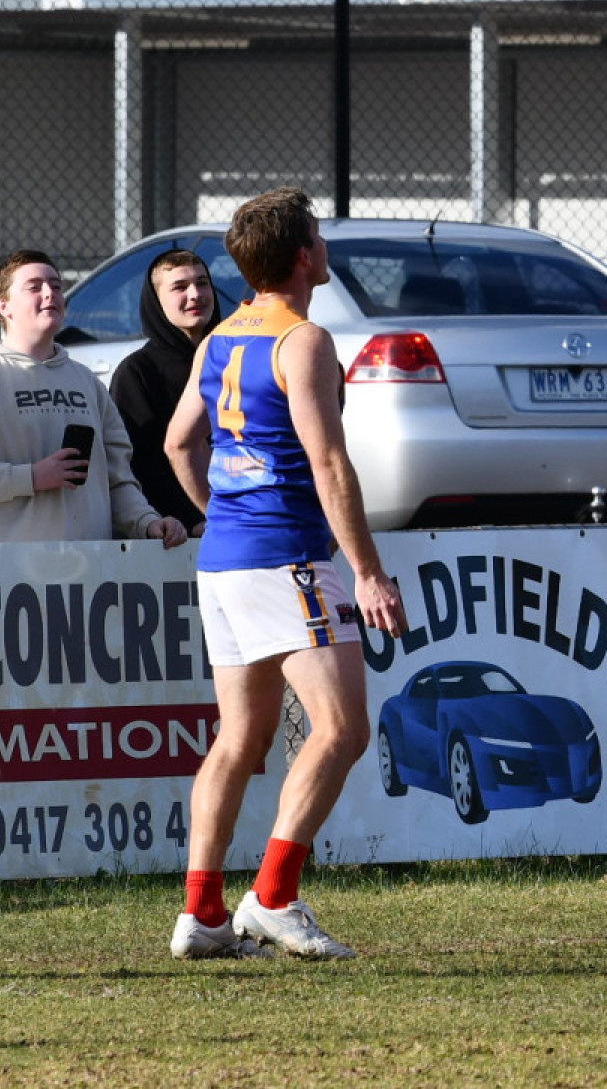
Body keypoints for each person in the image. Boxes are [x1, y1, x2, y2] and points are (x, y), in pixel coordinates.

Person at [163, 188, 407, 961]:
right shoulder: (302, 340)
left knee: (241, 735)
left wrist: (222, 508)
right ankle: (272, 896)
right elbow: (330, 461)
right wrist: (367, 573)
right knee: (341, 727)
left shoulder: (219, 337)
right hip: (287, 555)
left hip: (226, 560)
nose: (324, 244)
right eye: (320, 233)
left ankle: (202, 913)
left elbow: (177, 444)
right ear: (303, 254)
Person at [0, 248, 185, 548]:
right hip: (14, 577)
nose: (49, 293)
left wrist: (147, 522)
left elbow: (118, 479)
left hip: (88, 576)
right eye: (34, 287)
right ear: (4, 306)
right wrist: (32, 477)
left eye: (56, 286)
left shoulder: (88, 382)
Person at [111, 248, 223, 535]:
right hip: (174, 534)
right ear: (157, 302)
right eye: (179, 287)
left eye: (202, 282)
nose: (196, 294)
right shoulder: (137, 372)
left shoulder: (233, 359)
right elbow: (140, 464)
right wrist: (191, 519)